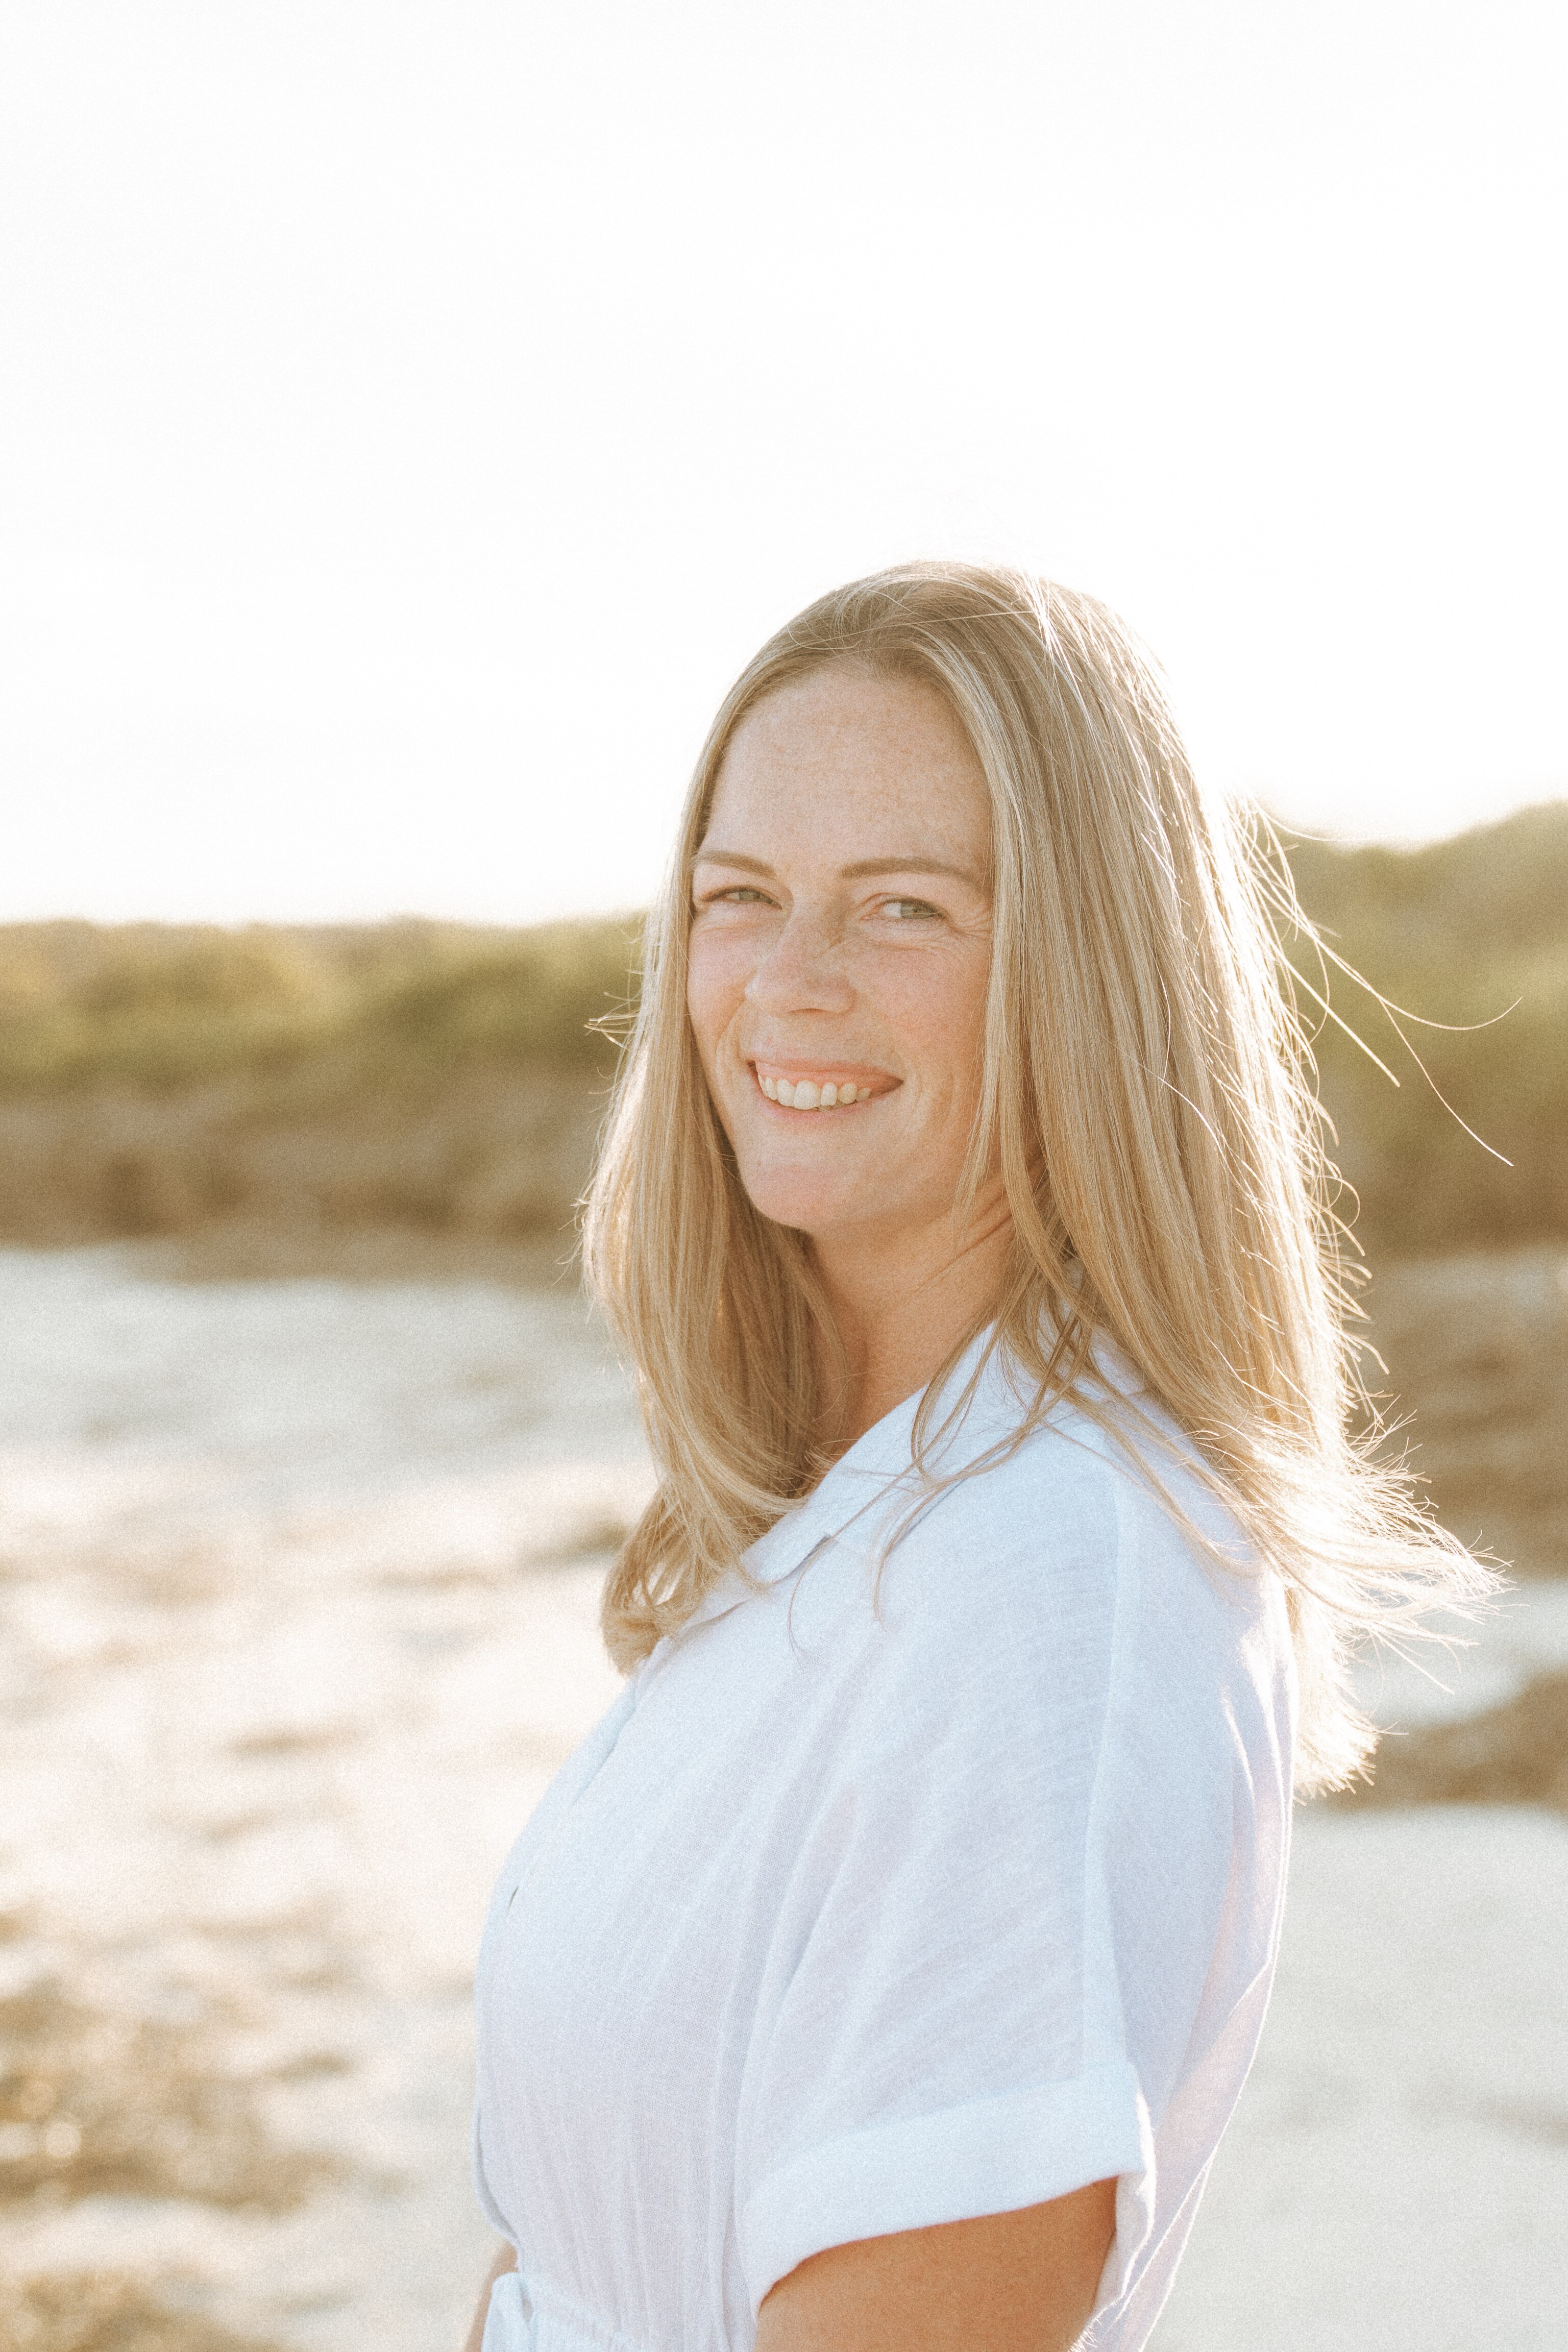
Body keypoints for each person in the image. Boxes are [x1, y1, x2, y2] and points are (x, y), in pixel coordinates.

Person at [462, 562, 1486, 2352]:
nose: (789, 984)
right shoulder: (851, 1510)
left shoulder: (1040, 1583)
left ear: (1088, 970)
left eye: (905, 910)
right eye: (740, 898)